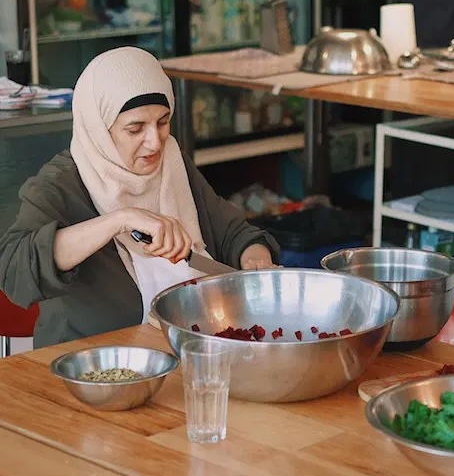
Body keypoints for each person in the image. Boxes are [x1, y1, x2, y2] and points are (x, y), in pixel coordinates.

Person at [0, 47, 280, 348]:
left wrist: (254, 261)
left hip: (182, 344)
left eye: (163, 122)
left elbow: (232, 233)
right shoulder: (61, 184)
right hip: (92, 360)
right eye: (135, 129)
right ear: (100, 129)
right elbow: (15, 269)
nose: (155, 142)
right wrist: (117, 221)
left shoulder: (171, 162)